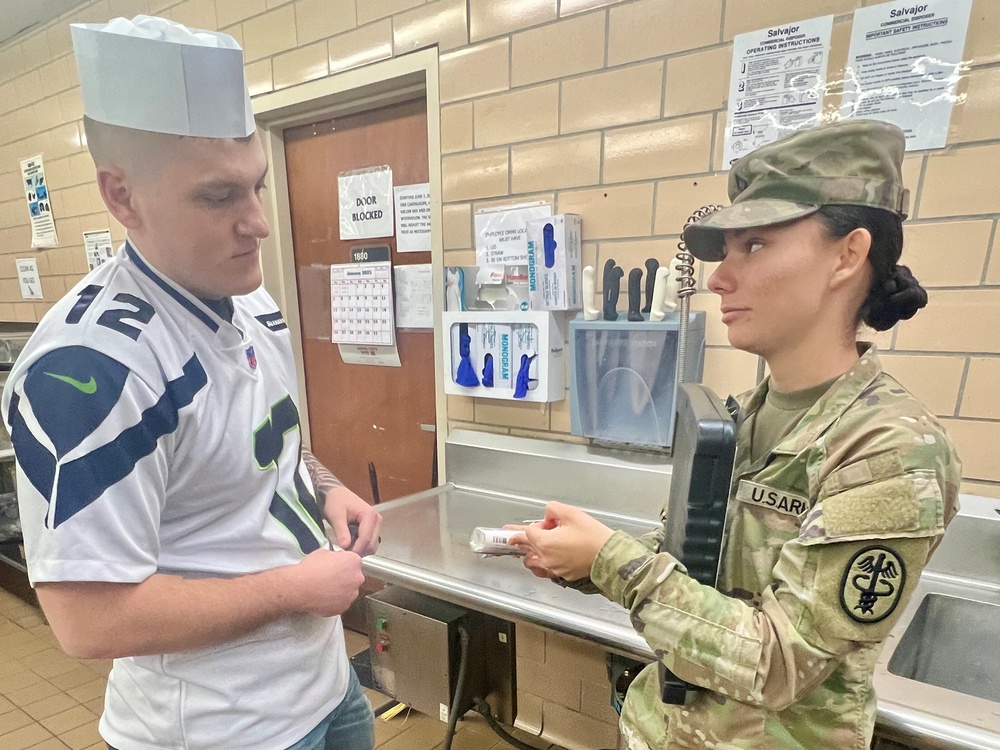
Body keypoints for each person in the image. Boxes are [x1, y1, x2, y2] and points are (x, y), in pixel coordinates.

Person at [510, 119, 961, 750]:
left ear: (848, 254)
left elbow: (780, 662)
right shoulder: (745, 412)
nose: (719, 276)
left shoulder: (890, 450)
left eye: (754, 246)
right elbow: (694, 563)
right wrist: (583, 557)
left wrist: (613, 561)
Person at [2, 15, 382, 750]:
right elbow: (86, 620)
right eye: (218, 198)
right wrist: (296, 590)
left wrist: (327, 486)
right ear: (122, 197)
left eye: (258, 187)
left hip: (325, 689)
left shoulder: (248, 298)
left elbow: (274, 445)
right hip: (220, 729)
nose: (259, 223)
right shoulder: (90, 371)